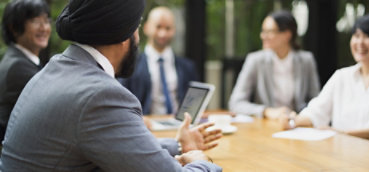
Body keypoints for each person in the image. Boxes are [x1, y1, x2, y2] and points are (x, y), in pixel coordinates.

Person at [0, 0, 223, 171]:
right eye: (137, 27)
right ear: (126, 34)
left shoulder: (56, 67)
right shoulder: (101, 95)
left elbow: (120, 146)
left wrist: (179, 145)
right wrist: (201, 160)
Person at [280, 14, 369, 147]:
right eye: (356, 36)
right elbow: (317, 111)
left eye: (367, 36)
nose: (359, 43)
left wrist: (343, 134)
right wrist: (293, 121)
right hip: (342, 156)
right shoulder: (342, 76)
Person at [229, 10, 320, 118]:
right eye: (263, 31)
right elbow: (235, 103)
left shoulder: (306, 60)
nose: (263, 36)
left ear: (287, 35)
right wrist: (266, 111)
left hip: (297, 124)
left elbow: (316, 101)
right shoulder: (255, 60)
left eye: (269, 32)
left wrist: (302, 116)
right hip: (267, 125)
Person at [119, 6, 199, 115]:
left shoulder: (187, 67)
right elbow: (122, 101)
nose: (163, 34)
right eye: (158, 27)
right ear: (146, 28)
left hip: (179, 125)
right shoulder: (130, 64)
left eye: (168, 28)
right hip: (144, 126)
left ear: (174, 30)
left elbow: (194, 105)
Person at [0, 0, 51, 142]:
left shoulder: (20, 59)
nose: (44, 28)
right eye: (35, 21)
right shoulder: (18, 67)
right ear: (14, 28)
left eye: (46, 21)